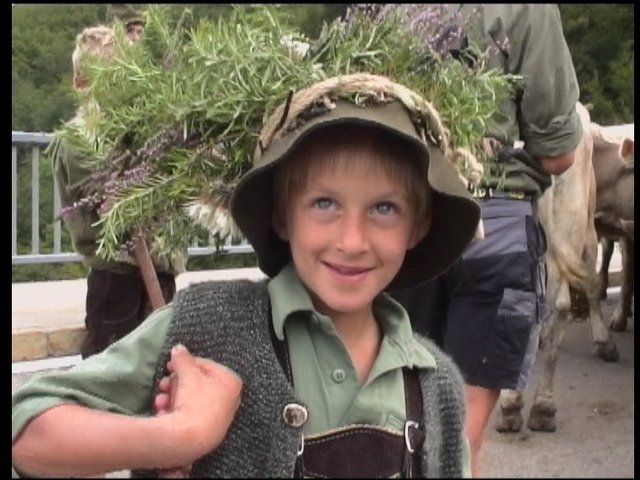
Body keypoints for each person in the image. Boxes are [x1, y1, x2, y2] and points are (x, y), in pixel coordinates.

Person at [12, 73, 481, 477]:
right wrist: (180, 436)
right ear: (282, 215)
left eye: (384, 208)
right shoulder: (209, 328)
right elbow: (27, 430)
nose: (352, 240)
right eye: (324, 203)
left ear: (418, 225)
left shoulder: (437, 386)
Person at [391, 4, 584, 477]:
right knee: (458, 441)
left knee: (395, 422)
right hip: (495, 230)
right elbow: (558, 155)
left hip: (407, 224)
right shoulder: (530, 10)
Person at [52, 25, 184, 359]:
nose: (117, 91)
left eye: (122, 79)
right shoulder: (79, 139)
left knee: (157, 367)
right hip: (115, 274)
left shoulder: (142, 130)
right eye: (108, 80)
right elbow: (111, 203)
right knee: (109, 365)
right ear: (81, 84)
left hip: (159, 269)